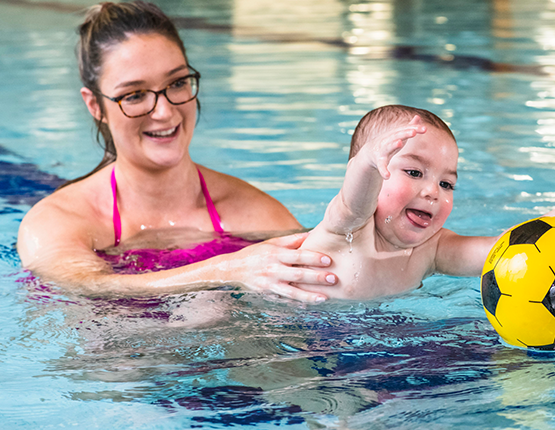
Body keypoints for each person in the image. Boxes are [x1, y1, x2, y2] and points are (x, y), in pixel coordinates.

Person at [16, 1, 337, 302]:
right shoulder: (58, 222)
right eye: (135, 95)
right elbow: (88, 285)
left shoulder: (259, 215)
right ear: (94, 105)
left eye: (177, 83)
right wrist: (225, 270)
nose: (165, 113)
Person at [299, 105, 555, 299]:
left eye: (446, 183)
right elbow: (355, 199)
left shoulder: (431, 248)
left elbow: (506, 251)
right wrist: (367, 162)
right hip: (303, 337)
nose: (433, 192)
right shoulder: (348, 229)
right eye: (413, 171)